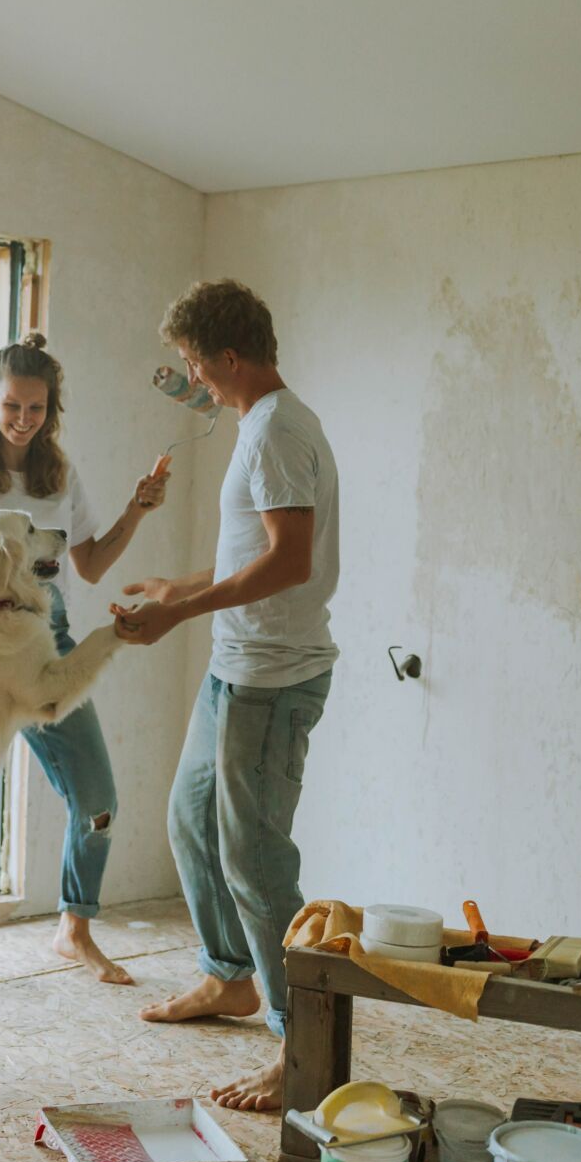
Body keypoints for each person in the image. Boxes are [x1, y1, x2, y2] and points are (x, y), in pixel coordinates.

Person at [111, 280, 339, 1113]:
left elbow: (290, 562)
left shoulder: (278, 429)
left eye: (194, 364)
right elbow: (255, 552)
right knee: (188, 817)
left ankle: (300, 1043)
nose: (193, 378)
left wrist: (176, 614)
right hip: (234, 667)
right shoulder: (261, 425)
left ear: (230, 357)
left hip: (271, 679)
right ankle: (228, 978)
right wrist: (185, 584)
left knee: (257, 860)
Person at [0, 333, 168, 996]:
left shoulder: (61, 476)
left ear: (50, 409)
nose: (22, 419)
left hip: (47, 644)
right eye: (11, 407)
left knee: (98, 803)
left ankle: (74, 929)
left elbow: (88, 565)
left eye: (35, 408)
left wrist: (136, 512)